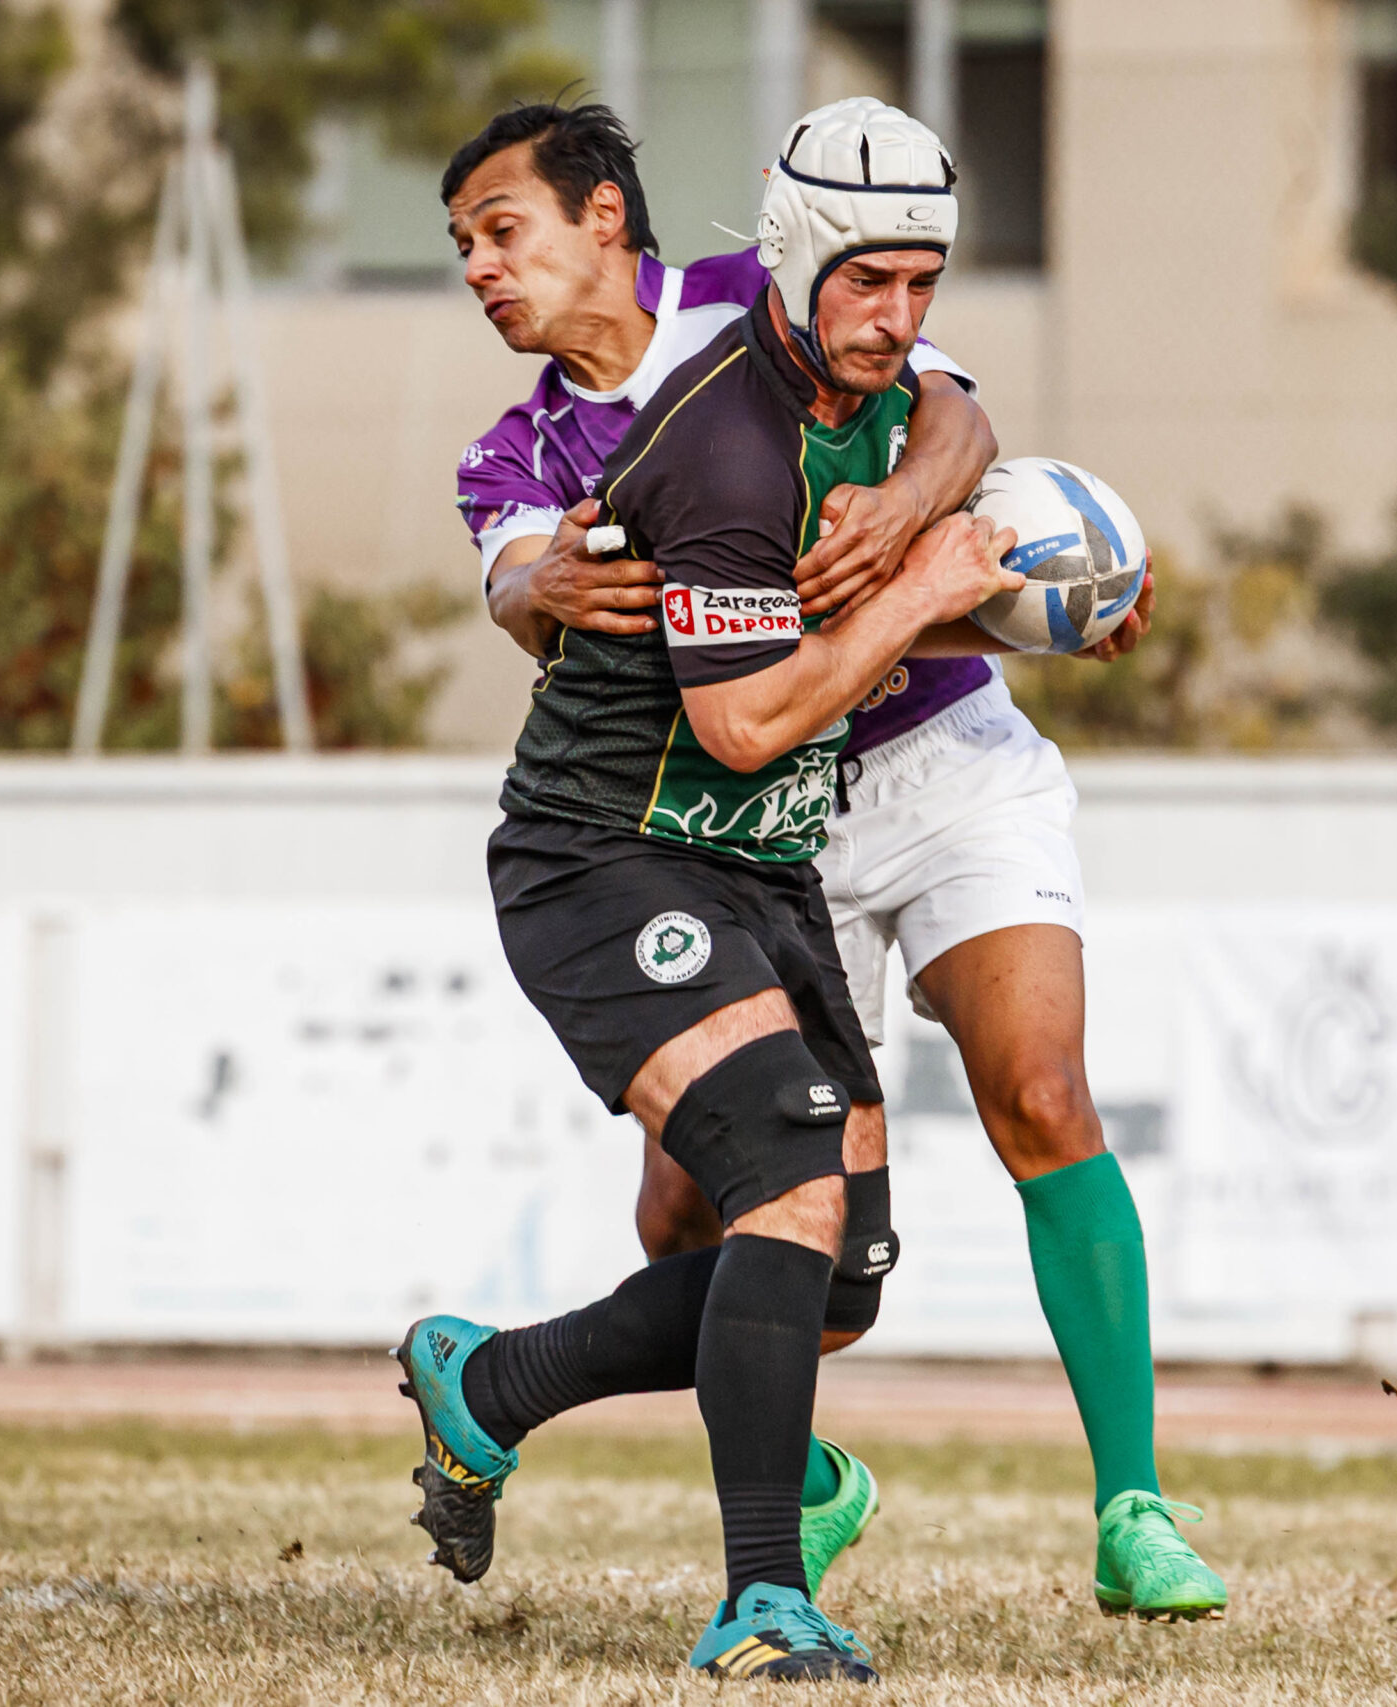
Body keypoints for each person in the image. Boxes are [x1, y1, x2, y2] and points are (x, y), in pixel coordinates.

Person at [456, 97, 1226, 1625]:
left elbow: (962, 423)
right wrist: (541, 583)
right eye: (466, 248)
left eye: (502, 232)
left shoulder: (785, 299)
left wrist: (936, 525)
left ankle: (1133, 1504)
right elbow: (531, 599)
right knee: (705, 1216)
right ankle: (794, 1486)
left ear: (604, 217)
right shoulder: (522, 453)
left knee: (1040, 1089)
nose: (482, 271)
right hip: (753, 820)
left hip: (938, 754)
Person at [395, 96, 1017, 1683]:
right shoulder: (727, 441)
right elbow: (745, 715)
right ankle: (761, 1595)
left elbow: (959, 428)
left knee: (838, 1274)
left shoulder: (845, 377)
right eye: (869, 285)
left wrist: (987, 565)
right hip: (606, 853)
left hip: (755, 854)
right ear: (795, 266)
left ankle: (498, 1382)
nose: (900, 320)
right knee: (790, 1182)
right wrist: (938, 585)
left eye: (921, 287)